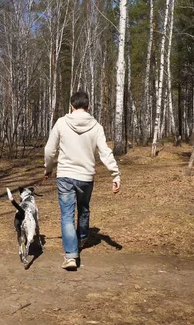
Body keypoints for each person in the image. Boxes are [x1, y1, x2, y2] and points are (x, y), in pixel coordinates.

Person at [44, 91, 121, 270]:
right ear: (88, 107)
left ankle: (71, 256)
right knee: (84, 208)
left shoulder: (61, 123)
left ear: (71, 106)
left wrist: (48, 168)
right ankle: (81, 239)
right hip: (86, 177)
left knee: (67, 216)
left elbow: (49, 150)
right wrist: (115, 174)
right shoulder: (96, 126)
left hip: (65, 176)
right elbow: (105, 152)